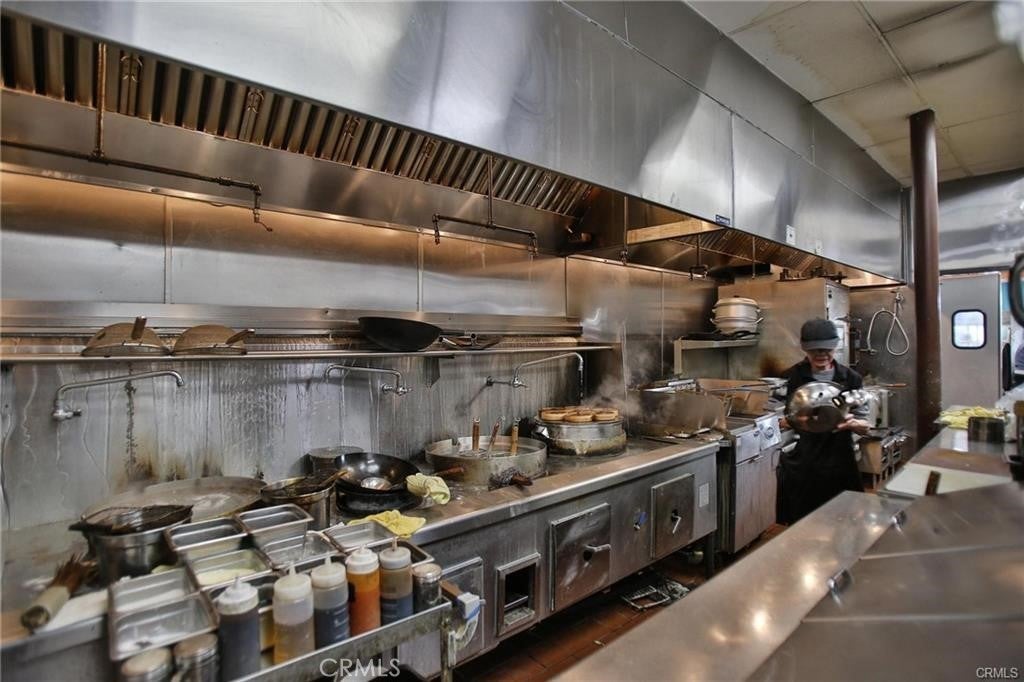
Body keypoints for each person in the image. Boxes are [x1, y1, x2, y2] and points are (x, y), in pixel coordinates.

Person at [779, 318, 871, 524]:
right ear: (804, 348)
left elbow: (865, 426)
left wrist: (854, 424)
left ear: (835, 346)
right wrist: (789, 420)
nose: (821, 354)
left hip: (840, 460)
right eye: (814, 350)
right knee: (802, 525)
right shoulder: (793, 377)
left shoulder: (851, 379)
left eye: (826, 349)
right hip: (804, 461)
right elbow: (782, 416)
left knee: (844, 522)